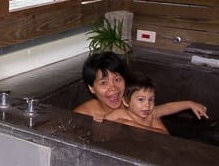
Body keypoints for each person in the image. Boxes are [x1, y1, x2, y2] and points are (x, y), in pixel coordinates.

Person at [72, 51, 208, 122]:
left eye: (117, 79)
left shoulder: (136, 104)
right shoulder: (83, 116)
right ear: (91, 88)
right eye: (104, 83)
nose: (113, 88)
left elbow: (164, 111)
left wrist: (189, 103)